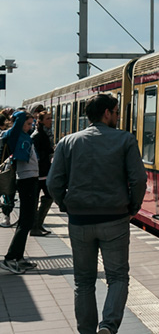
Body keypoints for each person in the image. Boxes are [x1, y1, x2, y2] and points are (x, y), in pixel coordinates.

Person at [48, 93, 147, 334]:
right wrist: (132, 207)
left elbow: (53, 183)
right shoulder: (125, 140)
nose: (117, 116)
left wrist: (66, 205)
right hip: (114, 219)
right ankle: (108, 326)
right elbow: (139, 179)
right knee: (118, 277)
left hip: (80, 220)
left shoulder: (67, 142)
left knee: (83, 281)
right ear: (107, 113)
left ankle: (87, 331)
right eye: (116, 112)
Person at [1, 109, 40, 273]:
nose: (31, 127)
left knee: (27, 221)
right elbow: (17, 124)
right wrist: (20, 114)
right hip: (26, 181)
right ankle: (10, 258)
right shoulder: (15, 135)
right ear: (20, 123)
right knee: (25, 221)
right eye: (29, 124)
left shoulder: (24, 136)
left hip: (30, 180)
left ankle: (19, 257)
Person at [30, 104, 55, 236]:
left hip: (44, 172)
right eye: (47, 119)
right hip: (39, 172)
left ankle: (38, 225)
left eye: (51, 118)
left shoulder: (46, 134)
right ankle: (35, 226)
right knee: (37, 199)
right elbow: (36, 155)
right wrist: (49, 152)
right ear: (40, 121)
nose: (50, 121)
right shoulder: (38, 135)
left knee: (48, 196)